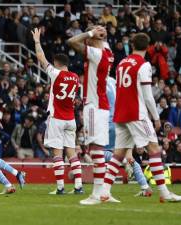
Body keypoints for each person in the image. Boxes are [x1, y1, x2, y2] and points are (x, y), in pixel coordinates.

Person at [100, 33, 181, 204]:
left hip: (120, 113)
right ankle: (164, 193)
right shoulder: (144, 65)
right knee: (154, 148)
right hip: (136, 114)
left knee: (118, 154)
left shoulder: (122, 63)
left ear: (132, 46)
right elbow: (147, 95)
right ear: (148, 48)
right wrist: (155, 117)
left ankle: (104, 192)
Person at [31, 28, 84, 195]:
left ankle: (60, 187)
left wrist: (37, 41)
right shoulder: (75, 78)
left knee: (57, 153)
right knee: (72, 152)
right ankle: (78, 186)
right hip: (71, 119)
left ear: (57, 63)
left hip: (57, 118)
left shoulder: (55, 74)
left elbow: (40, 57)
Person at [67, 25, 113, 205]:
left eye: (89, 37)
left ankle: (96, 194)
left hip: (94, 106)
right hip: (101, 105)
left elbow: (71, 41)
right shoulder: (107, 51)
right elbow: (100, 41)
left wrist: (92, 33)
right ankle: (103, 193)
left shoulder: (97, 54)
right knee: (98, 150)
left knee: (96, 151)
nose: (85, 39)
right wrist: (98, 34)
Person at [105, 76, 153, 197]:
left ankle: (125, 162)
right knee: (128, 155)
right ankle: (145, 187)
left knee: (98, 153)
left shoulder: (97, 82)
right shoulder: (115, 81)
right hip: (124, 121)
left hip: (108, 123)